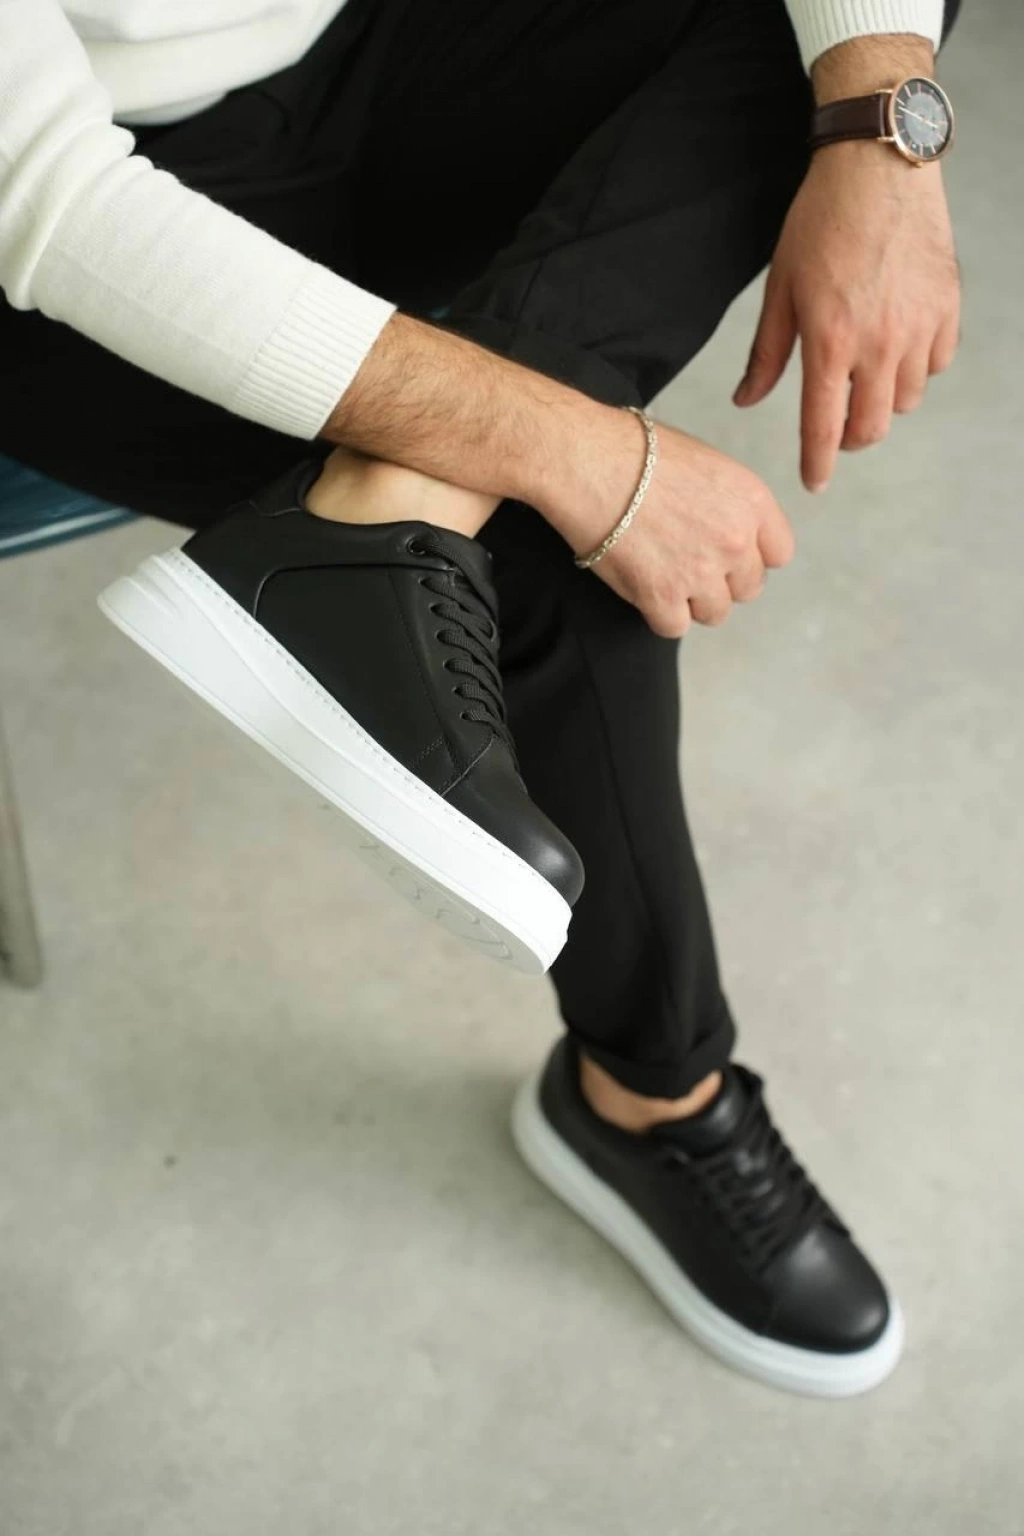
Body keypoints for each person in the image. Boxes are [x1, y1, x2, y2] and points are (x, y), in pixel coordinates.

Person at [0, 0, 961, 1396]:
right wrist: (568, 454)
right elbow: (45, 193)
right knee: (550, 556)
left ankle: (394, 506)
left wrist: (883, 126)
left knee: (829, 26)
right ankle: (651, 1099)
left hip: (360, 43)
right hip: (57, 235)